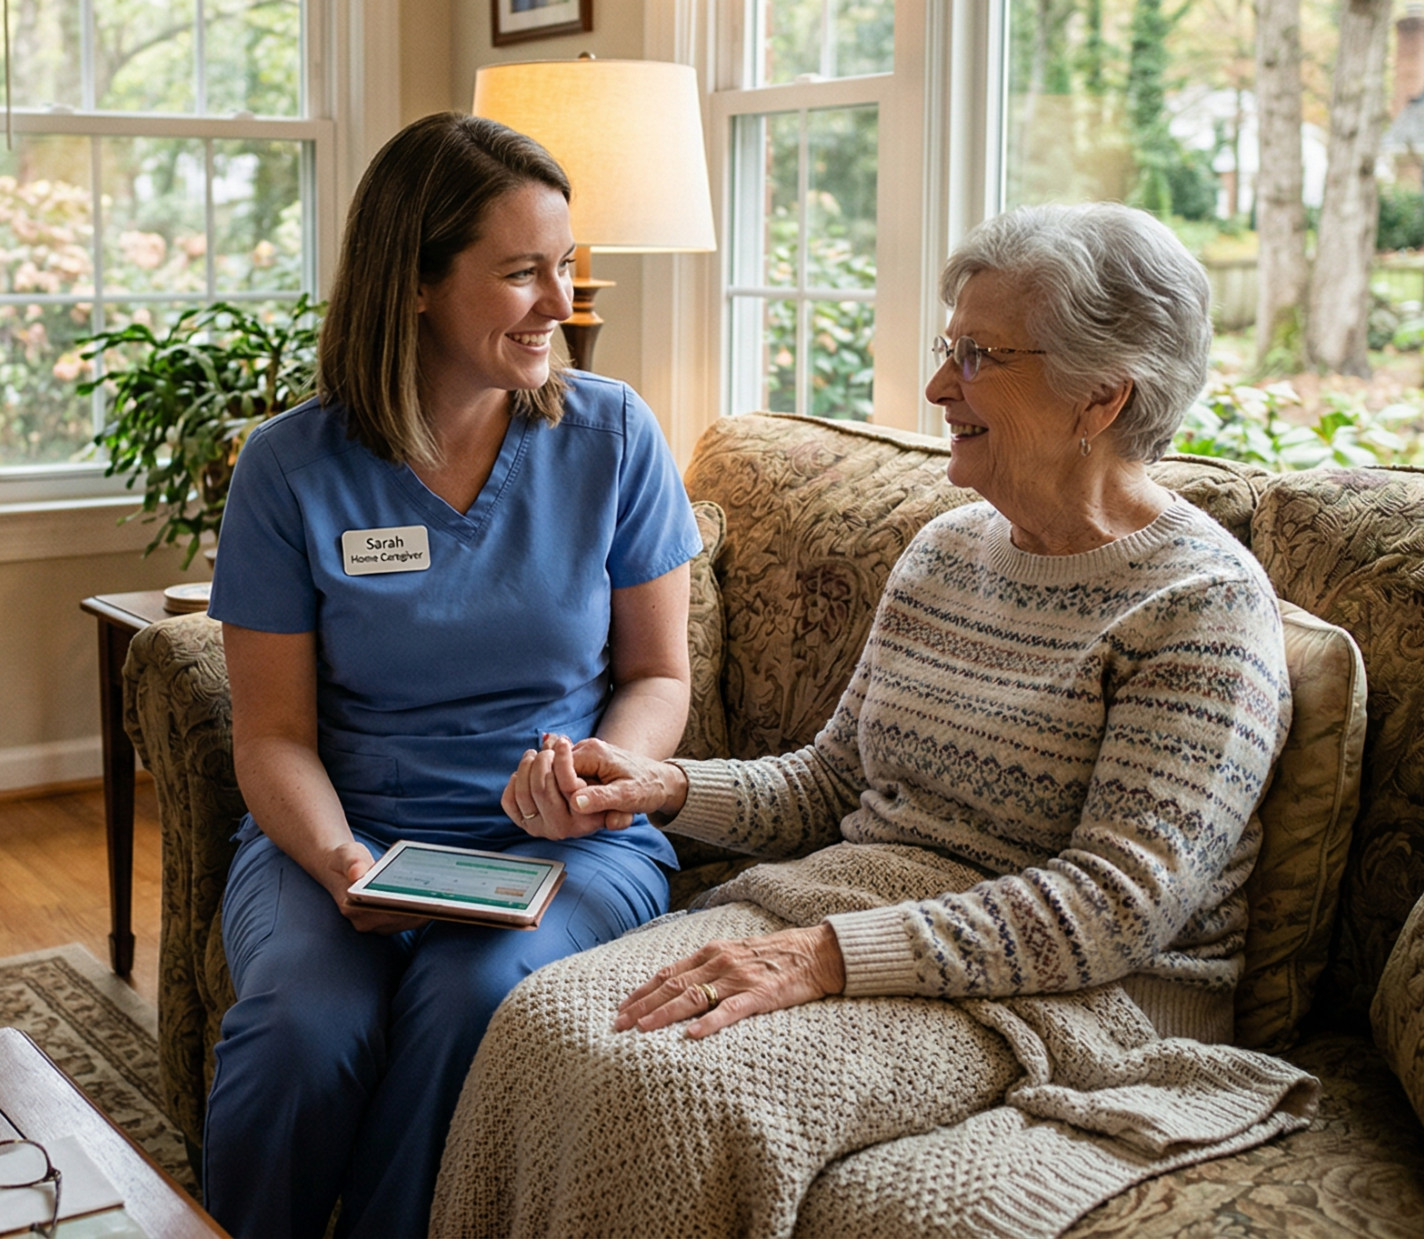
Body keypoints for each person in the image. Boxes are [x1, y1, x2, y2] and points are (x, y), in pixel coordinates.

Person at [431, 203, 1301, 1235]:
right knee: (538, 1018)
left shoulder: (1200, 605)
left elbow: (1112, 907)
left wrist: (819, 955)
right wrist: (660, 784)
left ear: (1100, 397)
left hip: (1065, 989)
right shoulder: (945, 552)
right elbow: (832, 784)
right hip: (859, 910)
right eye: (949, 348)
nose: (938, 386)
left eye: (978, 356)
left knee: (678, 1092)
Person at [201, 111, 699, 1239]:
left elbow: (660, 674)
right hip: (349, 830)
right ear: (414, 282)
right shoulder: (291, 466)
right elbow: (271, 735)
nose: (556, 302)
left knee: (468, 995)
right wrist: (339, 859)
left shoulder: (611, 434)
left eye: (563, 268)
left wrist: (603, 771)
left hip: (566, 841)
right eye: (521, 272)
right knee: (298, 1029)